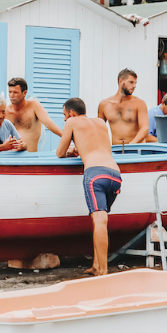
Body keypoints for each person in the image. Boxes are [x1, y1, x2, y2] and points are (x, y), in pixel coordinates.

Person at [56, 97, 121, 276]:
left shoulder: (72, 122)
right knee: (99, 221)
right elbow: (96, 145)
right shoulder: (100, 122)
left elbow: (60, 153)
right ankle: (95, 265)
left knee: (99, 221)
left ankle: (103, 271)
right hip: (115, 174)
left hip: (95, 175)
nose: (64, 119)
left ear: (71, 113)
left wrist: (70, 151)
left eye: (64, 115)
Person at [4, 76, 65, 154]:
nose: (11, 96)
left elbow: (49, 123)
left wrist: (66, 138)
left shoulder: (34, 106)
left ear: (24, 93)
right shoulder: (5, 111)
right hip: (9, 158)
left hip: (30, 157)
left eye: (15, 92)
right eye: (10, 92)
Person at [98, 68, 150, 146]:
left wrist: (132, 144)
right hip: (116, 149)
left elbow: (145, 128)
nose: (134, 86)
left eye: (135, 83)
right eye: (131, 82)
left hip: (136, 148)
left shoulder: (139, 103)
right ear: (120, 81)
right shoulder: (105, 104)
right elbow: (99, 129)